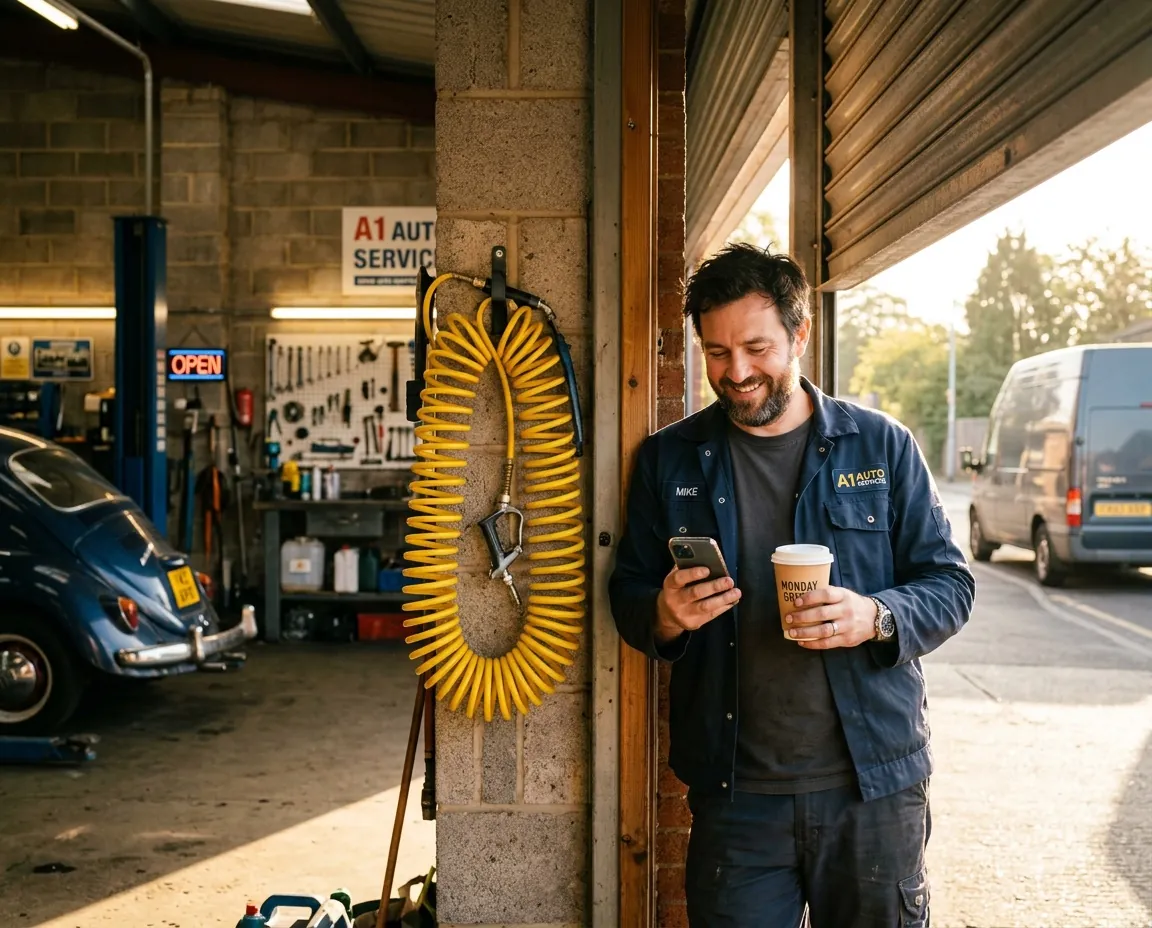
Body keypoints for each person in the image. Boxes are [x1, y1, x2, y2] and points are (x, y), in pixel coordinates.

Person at [609, 244, 975, 927]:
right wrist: (664, 612)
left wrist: (875, 616)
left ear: (800, 334)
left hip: (873, 788)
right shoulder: (669, 459)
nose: (737, 372)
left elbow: (950, 584)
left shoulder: (882, 445)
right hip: (737, 798)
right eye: (717, 352)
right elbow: (627, 594)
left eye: (756, 348)